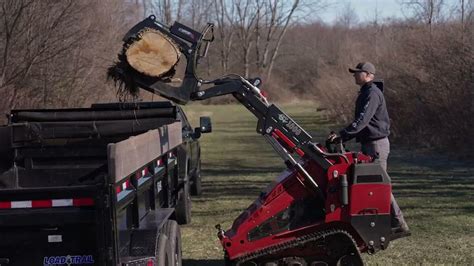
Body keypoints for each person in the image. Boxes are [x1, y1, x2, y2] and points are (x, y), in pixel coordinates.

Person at [327, 62, 409, 234]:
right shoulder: (367, 92)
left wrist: (343, 134)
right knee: (372, 185)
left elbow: (362, 121)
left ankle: (398, 223)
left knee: (379, 185)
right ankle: (380, 222)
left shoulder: (372, 93)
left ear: (369, 75)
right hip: (370, 143)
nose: (355, 75)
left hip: (376, 144)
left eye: (358, 72)